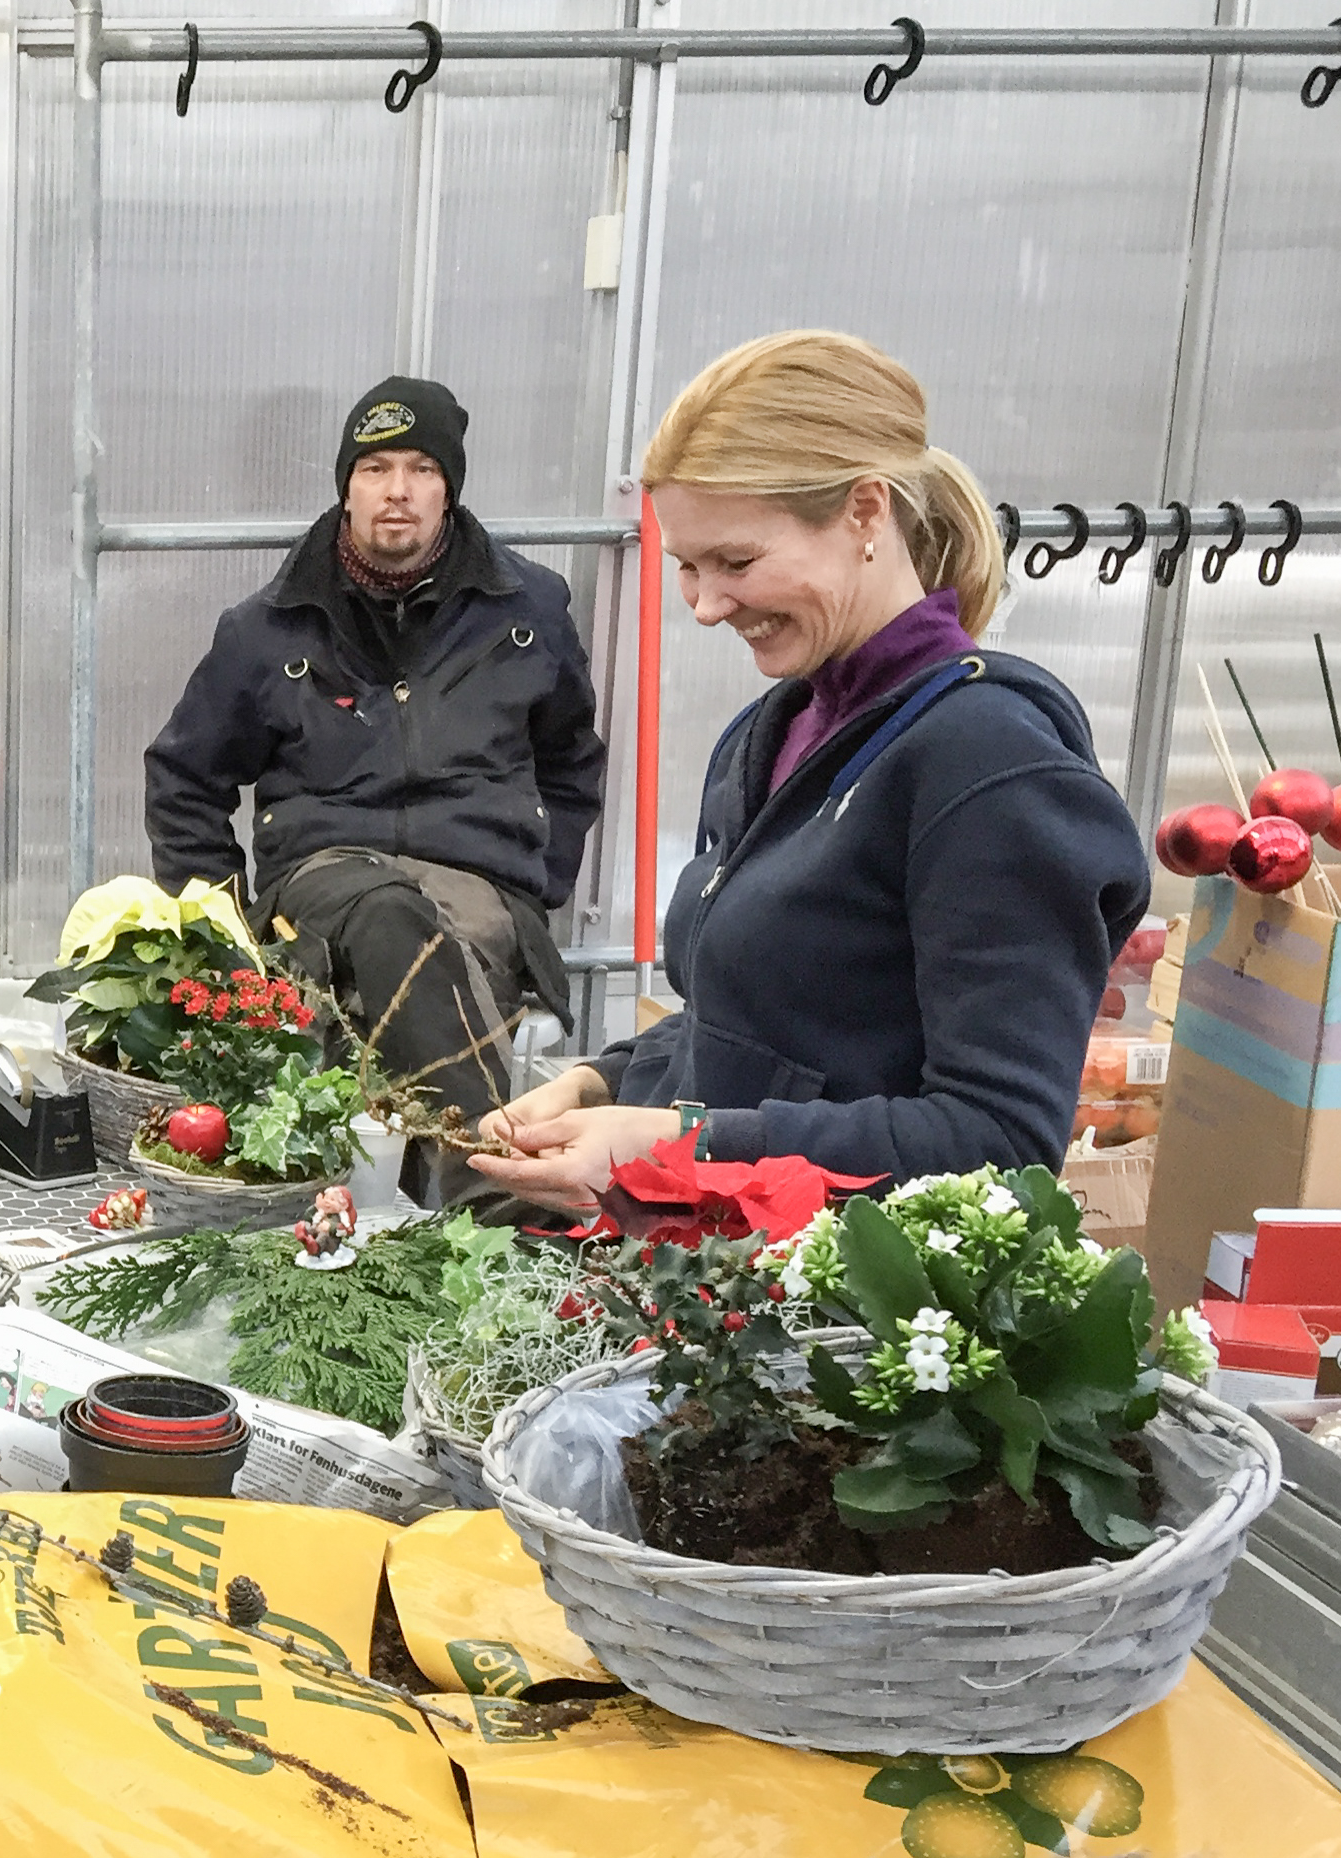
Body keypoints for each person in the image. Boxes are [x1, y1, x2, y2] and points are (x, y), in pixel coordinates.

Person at [472, 330, 1149, 1213]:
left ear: (867, 512)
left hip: (841, 1320)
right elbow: (766, 1017)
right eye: (687, 566)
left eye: (737, 562)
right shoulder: (776, 729)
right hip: (709, 1267)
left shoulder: (990, 771)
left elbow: (999, 1147)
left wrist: (683, 1146)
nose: (708, 605)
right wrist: (606, 1083)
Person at [142, 376, 606, 1197]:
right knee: (395, 916)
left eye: (422, 468)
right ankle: (498, 1199)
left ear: (450, 487)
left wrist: (539, 882)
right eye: (376, 467)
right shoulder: (268, 627)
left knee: (439, 955)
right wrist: (223, 938)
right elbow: (185, 775)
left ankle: (391, 1225)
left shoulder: (529, 609)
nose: (398, 491)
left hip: (480, 882)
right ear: (346, 484)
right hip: (324, 875)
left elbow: (570, 758)